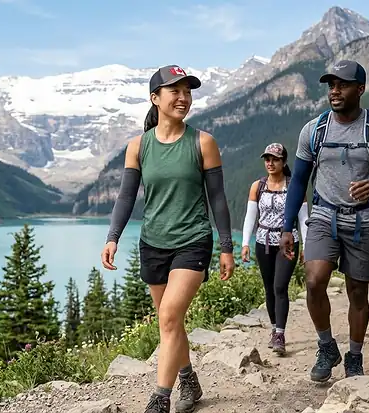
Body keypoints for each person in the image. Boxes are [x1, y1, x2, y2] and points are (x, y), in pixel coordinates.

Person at [101, 64, 236, 413]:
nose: (183, 97)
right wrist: (113, 237)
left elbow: (218, 198)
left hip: (193, 240)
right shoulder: (138, 146)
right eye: (175, 90)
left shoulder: (203, 142)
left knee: (170, 316)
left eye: (187, 91)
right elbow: (126, 197)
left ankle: (160, 398)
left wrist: (225, 246)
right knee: (169, 320)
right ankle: (188, 377)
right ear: (155, 98)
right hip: (153, 243)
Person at [279, 60, 369, 382]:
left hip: (362, 221)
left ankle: (354, 356)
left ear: (360, 89)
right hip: (323, 215)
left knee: (357, 292)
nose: (335, 91)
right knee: (313, 281)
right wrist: (286, 226)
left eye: (343, 85)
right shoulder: (314, 130)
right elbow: (298, 181)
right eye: (331, 85)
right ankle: (327, 346)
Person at [240, 142, 309, 355]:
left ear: (283, 162)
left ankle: (280, 333)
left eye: (275, 159)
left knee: (280, 287)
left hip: (288, 242)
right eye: (267, 159)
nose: (270, 163)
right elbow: (251, 216)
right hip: (263, 241)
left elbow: (303, 217)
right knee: (269, 287)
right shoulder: (258, 186)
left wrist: (306, 246)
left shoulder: (294, 186)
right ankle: (273, 328)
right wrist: (245, 243)